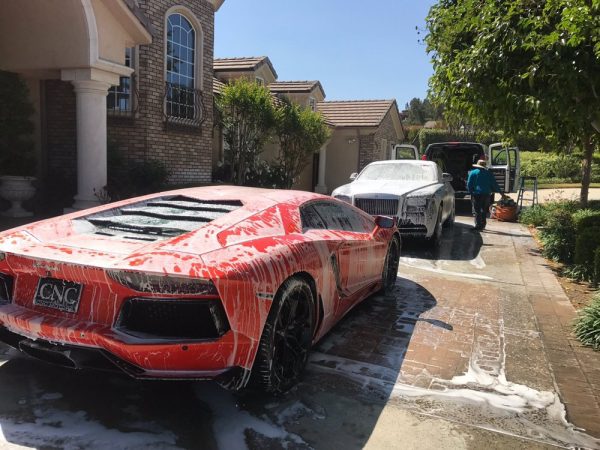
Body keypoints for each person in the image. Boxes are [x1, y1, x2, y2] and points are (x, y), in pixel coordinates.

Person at [467, 159, 503, 230]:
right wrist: (501, 193)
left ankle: (478, 225)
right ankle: (483, 225)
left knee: (477, 210)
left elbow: (469, 184)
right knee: (484, 209)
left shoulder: (473, 172)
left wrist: (471, 192)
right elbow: (494, 184)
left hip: (477, 194)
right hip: (486, 194)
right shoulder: (489, 173)